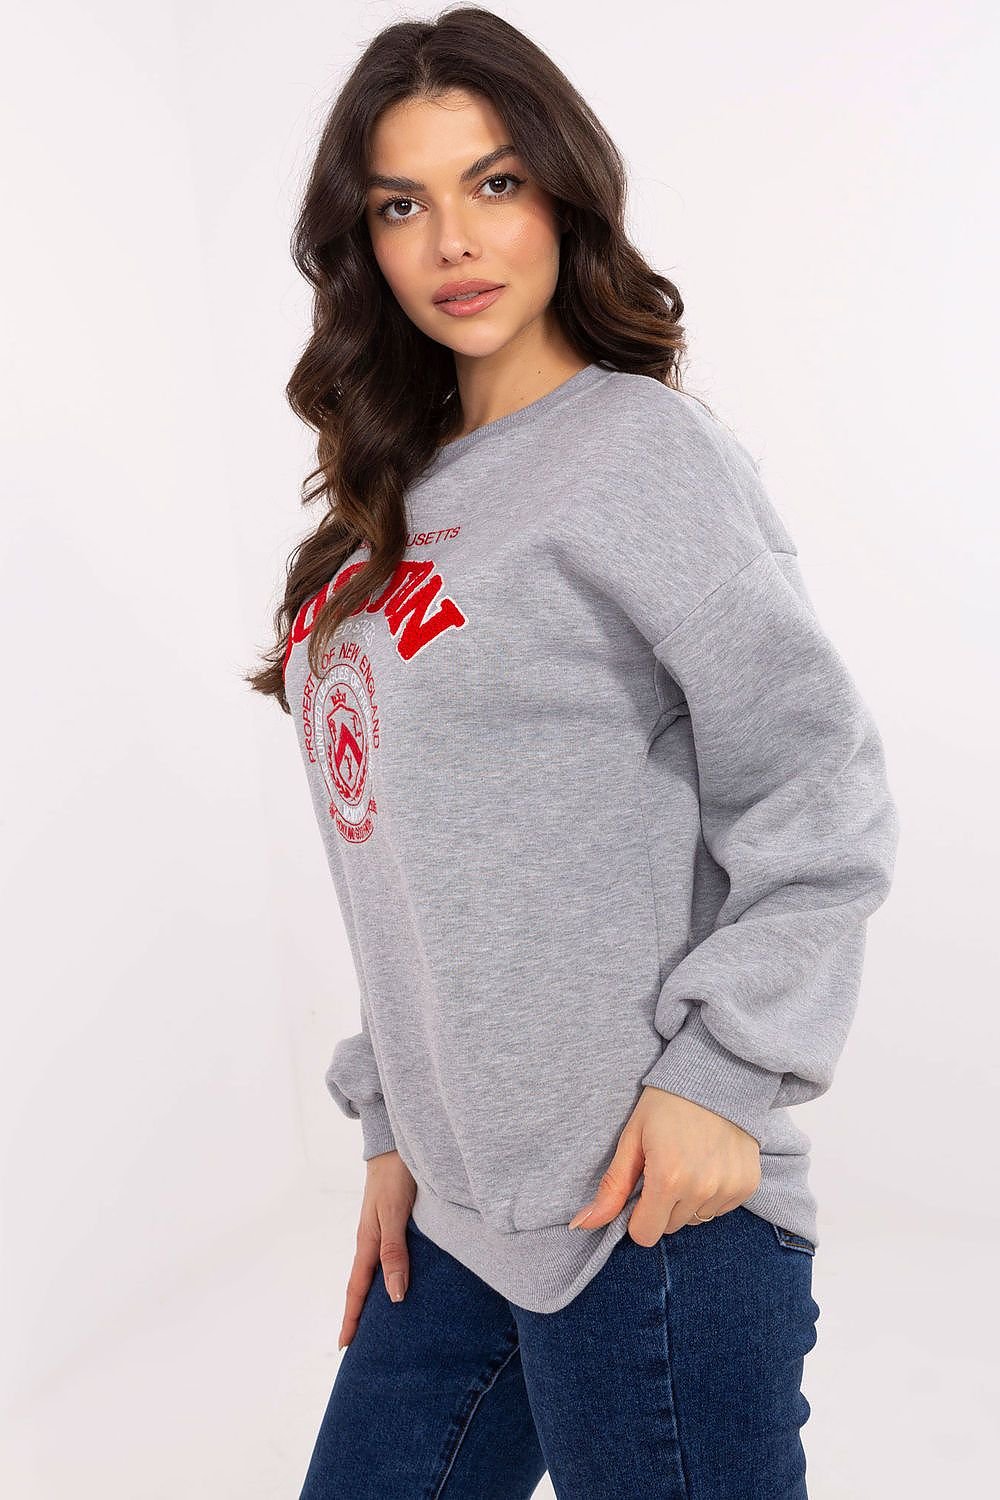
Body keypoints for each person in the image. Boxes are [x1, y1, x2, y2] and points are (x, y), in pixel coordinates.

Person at [247, 8, 900, 1496]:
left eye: (494, 183)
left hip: (647, 1204)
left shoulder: (637, 455)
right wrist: (395, 1124)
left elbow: (816, 785)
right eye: (400, 205)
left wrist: (726, 1074)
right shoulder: (386, 507)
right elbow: (404, 860)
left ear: (563, 193)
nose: (452, 241)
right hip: (457, 1217)